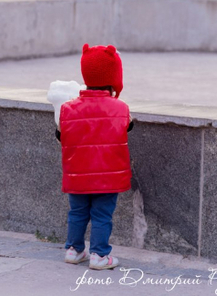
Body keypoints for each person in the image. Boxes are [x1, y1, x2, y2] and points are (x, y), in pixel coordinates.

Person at [57, 44, 134, 270]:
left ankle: (74, 250)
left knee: (77, 212)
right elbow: (126, 127)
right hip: (107, 178)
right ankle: (99, 255)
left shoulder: (68, 108)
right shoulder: (120, 108)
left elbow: (61, 135)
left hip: (78, 175)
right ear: (113, 78)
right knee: (101, 215)